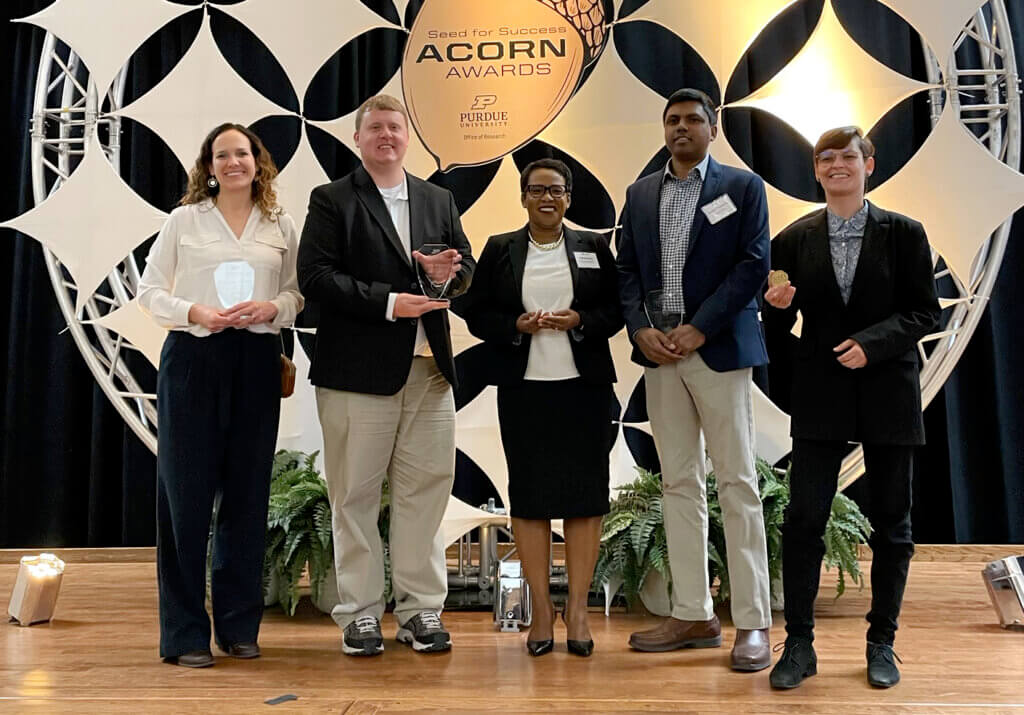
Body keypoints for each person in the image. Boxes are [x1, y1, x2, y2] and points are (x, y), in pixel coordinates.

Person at [297, 94, 475, 656]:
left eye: (395, 127)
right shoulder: (332, 200)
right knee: (354, 495)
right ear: (358, 138)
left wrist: (447, 274)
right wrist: (389, 302)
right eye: (375, 127)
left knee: (426, 494)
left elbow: (463, 267)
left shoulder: (437, 197)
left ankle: (422, 610)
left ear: (408, 137)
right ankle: (360, 613)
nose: (386, 135)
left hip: (430, 373)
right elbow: (315, 277)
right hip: (357, 373)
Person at [764, 126, 940, 689]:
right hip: (821, 396)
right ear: (816, 171)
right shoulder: (792, 239)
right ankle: (798, 643)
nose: (837, 165)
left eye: (848, 156)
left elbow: (924, 313)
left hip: (889, 390)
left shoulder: (905, 233)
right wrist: (776, 309)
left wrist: (874, 344)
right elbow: (774, 325)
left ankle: (882, 642)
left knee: (893, 524)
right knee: (803, 521)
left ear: (868, 164)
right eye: (826, 158)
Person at [616, 88, 773, 671]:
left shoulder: (741, 187)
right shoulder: (639, 194)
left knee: (736, 483)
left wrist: (700, 328)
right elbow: (626, 270)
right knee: (678, 484)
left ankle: (753, 622)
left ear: (712, 128)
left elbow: (753, 264)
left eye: (692, 120)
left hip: (719, 350)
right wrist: (640, 330)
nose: (681, 128)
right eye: (672, 120)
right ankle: (693, 612)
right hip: (660, 355)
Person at [138, 123, 303, 667]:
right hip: (193, 359)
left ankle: (238, 627)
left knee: (247, 498)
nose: (234, 162)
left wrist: (273, 309)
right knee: (184, 501)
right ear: (208, 167)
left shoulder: (279, 224)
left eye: (243, 152)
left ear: (259, 162)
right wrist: (196, 313)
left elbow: (297, 292)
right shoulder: (185, 220)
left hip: (256, 360)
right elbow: (150, 289)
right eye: (222, 154)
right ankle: (184, 635)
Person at [459, 159, 623, 657]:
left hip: (584, 390)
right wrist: (516, 325)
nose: (546, 198)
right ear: (523, 197)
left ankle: (575, 609)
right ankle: (541, 612)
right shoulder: (499, 249)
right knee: (530, 500)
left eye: (556, 190)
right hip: (524, 391)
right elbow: (475, 312)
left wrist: (579, 321)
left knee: (584, 499)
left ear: (569, 197)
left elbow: (617, 310)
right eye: (536, 190)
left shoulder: (594, 246)